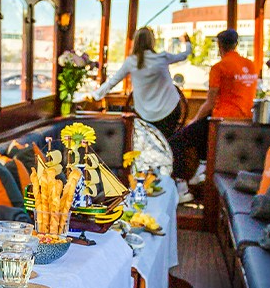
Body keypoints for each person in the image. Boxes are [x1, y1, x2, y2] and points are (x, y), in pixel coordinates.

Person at [168, 29, 258, 200]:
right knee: (198, 135)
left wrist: (193, 120)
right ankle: (200, 170)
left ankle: (183, 188)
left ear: (219, 45)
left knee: (176, 141)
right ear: (236, 44)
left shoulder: (219, 67)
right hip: (245, 124)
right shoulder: (251, 65)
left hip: (221, 124)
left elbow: (210, 102)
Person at [89, 26, 191, 134]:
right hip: (171, 110)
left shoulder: (131, 62)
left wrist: (95, 95)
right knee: (166, 141)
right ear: (152, 41)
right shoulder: (163, 58)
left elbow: (112, 81)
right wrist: (187, 42)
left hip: (146, 115)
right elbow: (184, 55)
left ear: (136, 41)